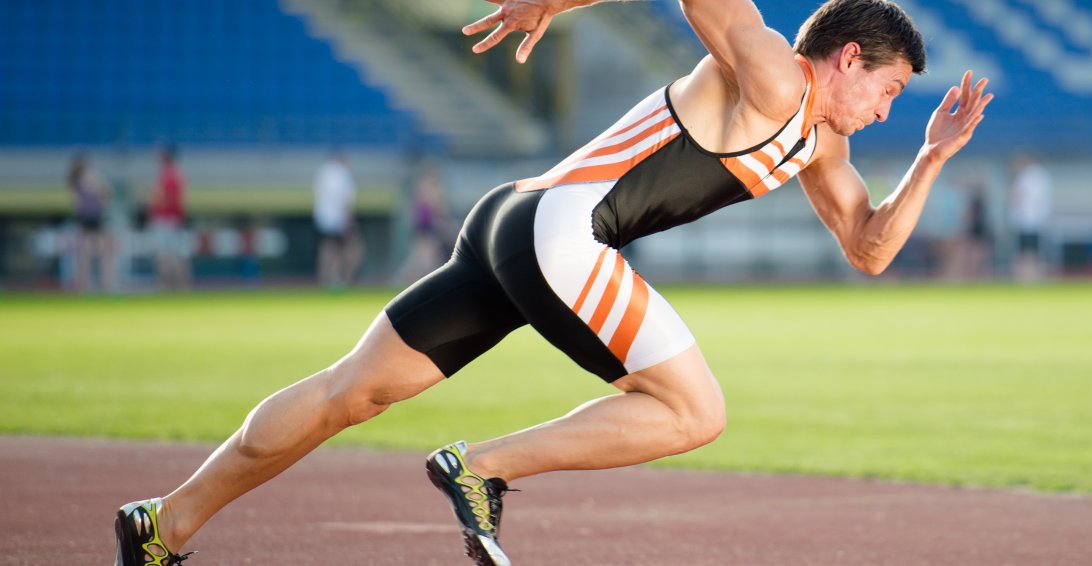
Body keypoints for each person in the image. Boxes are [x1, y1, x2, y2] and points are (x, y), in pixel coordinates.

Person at [113, 1, 992, 565]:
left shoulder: (821, 145)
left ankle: (168, 523)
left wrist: (928, 158)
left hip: (510, 223)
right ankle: (480, 468)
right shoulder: (770, 70)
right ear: (844, 57)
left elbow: (869, 247)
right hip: (562, 234)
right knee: (695, 412)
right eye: (889, 90)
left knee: (350, 393)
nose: (887, 110)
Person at [391, 166, 452, 286]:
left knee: (425, 261)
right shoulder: (428, 192)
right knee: (424, 262)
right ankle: (399, 283)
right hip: (425, 231)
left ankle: (400, 282)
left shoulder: (425, 192)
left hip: (426, 231)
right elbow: (436, 214)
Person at [313, 149, 364, 289]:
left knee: (328, 249)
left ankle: (326, 278)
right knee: (349, 250)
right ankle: (341, 279)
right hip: (339, 219)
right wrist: (350, 220)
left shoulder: (324, 172)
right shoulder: (343, 174)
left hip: (324, 219)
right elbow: (345, 201)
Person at [67, 152, 117, 294]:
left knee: (97, 253)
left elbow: (107, 193)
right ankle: (91, 285)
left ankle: (101, 284)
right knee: (90, 253)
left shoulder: (80, 179)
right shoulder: (81, 179)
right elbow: (102, 192)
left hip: (94, 218)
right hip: (90, 218)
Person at [148, 144, 192, 291]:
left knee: (166, 256)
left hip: (165, 220)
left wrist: (158, 199)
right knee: (176, 255)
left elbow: (160, 199)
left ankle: (167, 286)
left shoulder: (168, 176)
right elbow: (183, 200)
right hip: (174, 219)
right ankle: (181, 286)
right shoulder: (178, 175)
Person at [1010, 153, 1051, 282]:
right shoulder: (1041, 175)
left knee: (1027, 250)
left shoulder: (1028, 176)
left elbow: (1019, 196)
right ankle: (1032, 273)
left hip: (1027, 219)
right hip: (1035, 219)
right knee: (1033, 249)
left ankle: (1027, 274)